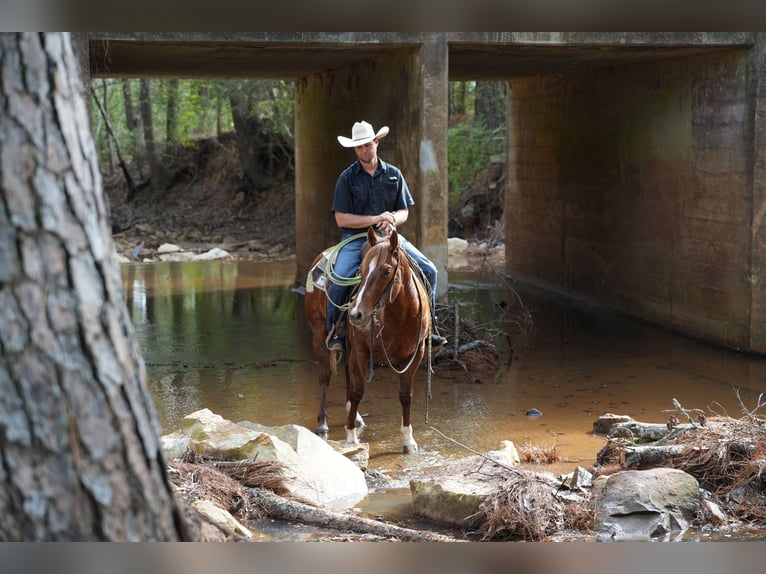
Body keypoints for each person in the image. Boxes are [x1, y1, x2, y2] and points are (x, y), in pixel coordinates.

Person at [326, 120, 447, 351]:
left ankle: (430, 329)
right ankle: (337, 331)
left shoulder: (393, 174)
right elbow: (341, 219)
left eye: (368, 144)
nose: (364, 149)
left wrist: (392, 219)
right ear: (354, 149)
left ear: (376, 142)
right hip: (356, 239)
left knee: (429, 270)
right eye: (360, 146)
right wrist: (374, 219)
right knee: (338, 278)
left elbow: (404, 211)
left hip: (389, 238)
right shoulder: (347, 178)